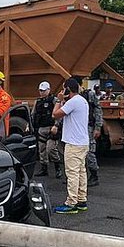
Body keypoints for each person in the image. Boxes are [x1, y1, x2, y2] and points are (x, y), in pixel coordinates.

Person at [52, 77, 89, 214]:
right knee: (81, 172)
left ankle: (71, 203)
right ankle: (81, 199)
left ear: (68, 88)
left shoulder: (72, 102)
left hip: (73, 143)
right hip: (82, 142)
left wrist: (58, 100)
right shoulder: (82, 101)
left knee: (72, 173)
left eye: (64, 88)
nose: (62, 91)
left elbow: (55, 115)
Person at [32, 81, 62, 178]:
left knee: (51, 149)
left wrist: (56, 125)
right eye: (40, 90)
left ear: (48, 90)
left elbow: (59, 113)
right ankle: (44, 169)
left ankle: (58, 168)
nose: (42, 92)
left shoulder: (54, 100)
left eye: (44, 90)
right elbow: (33, 114)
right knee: (42, 150)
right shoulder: (38, 101)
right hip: (41, 128)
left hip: (51, 127)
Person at [80, 84, 103, 187]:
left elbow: (98, 110)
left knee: (89, 152)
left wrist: (98, 127)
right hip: (79, 128)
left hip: (89, 127)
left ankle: (94, 176)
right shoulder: (73, 96)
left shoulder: (89, 94)